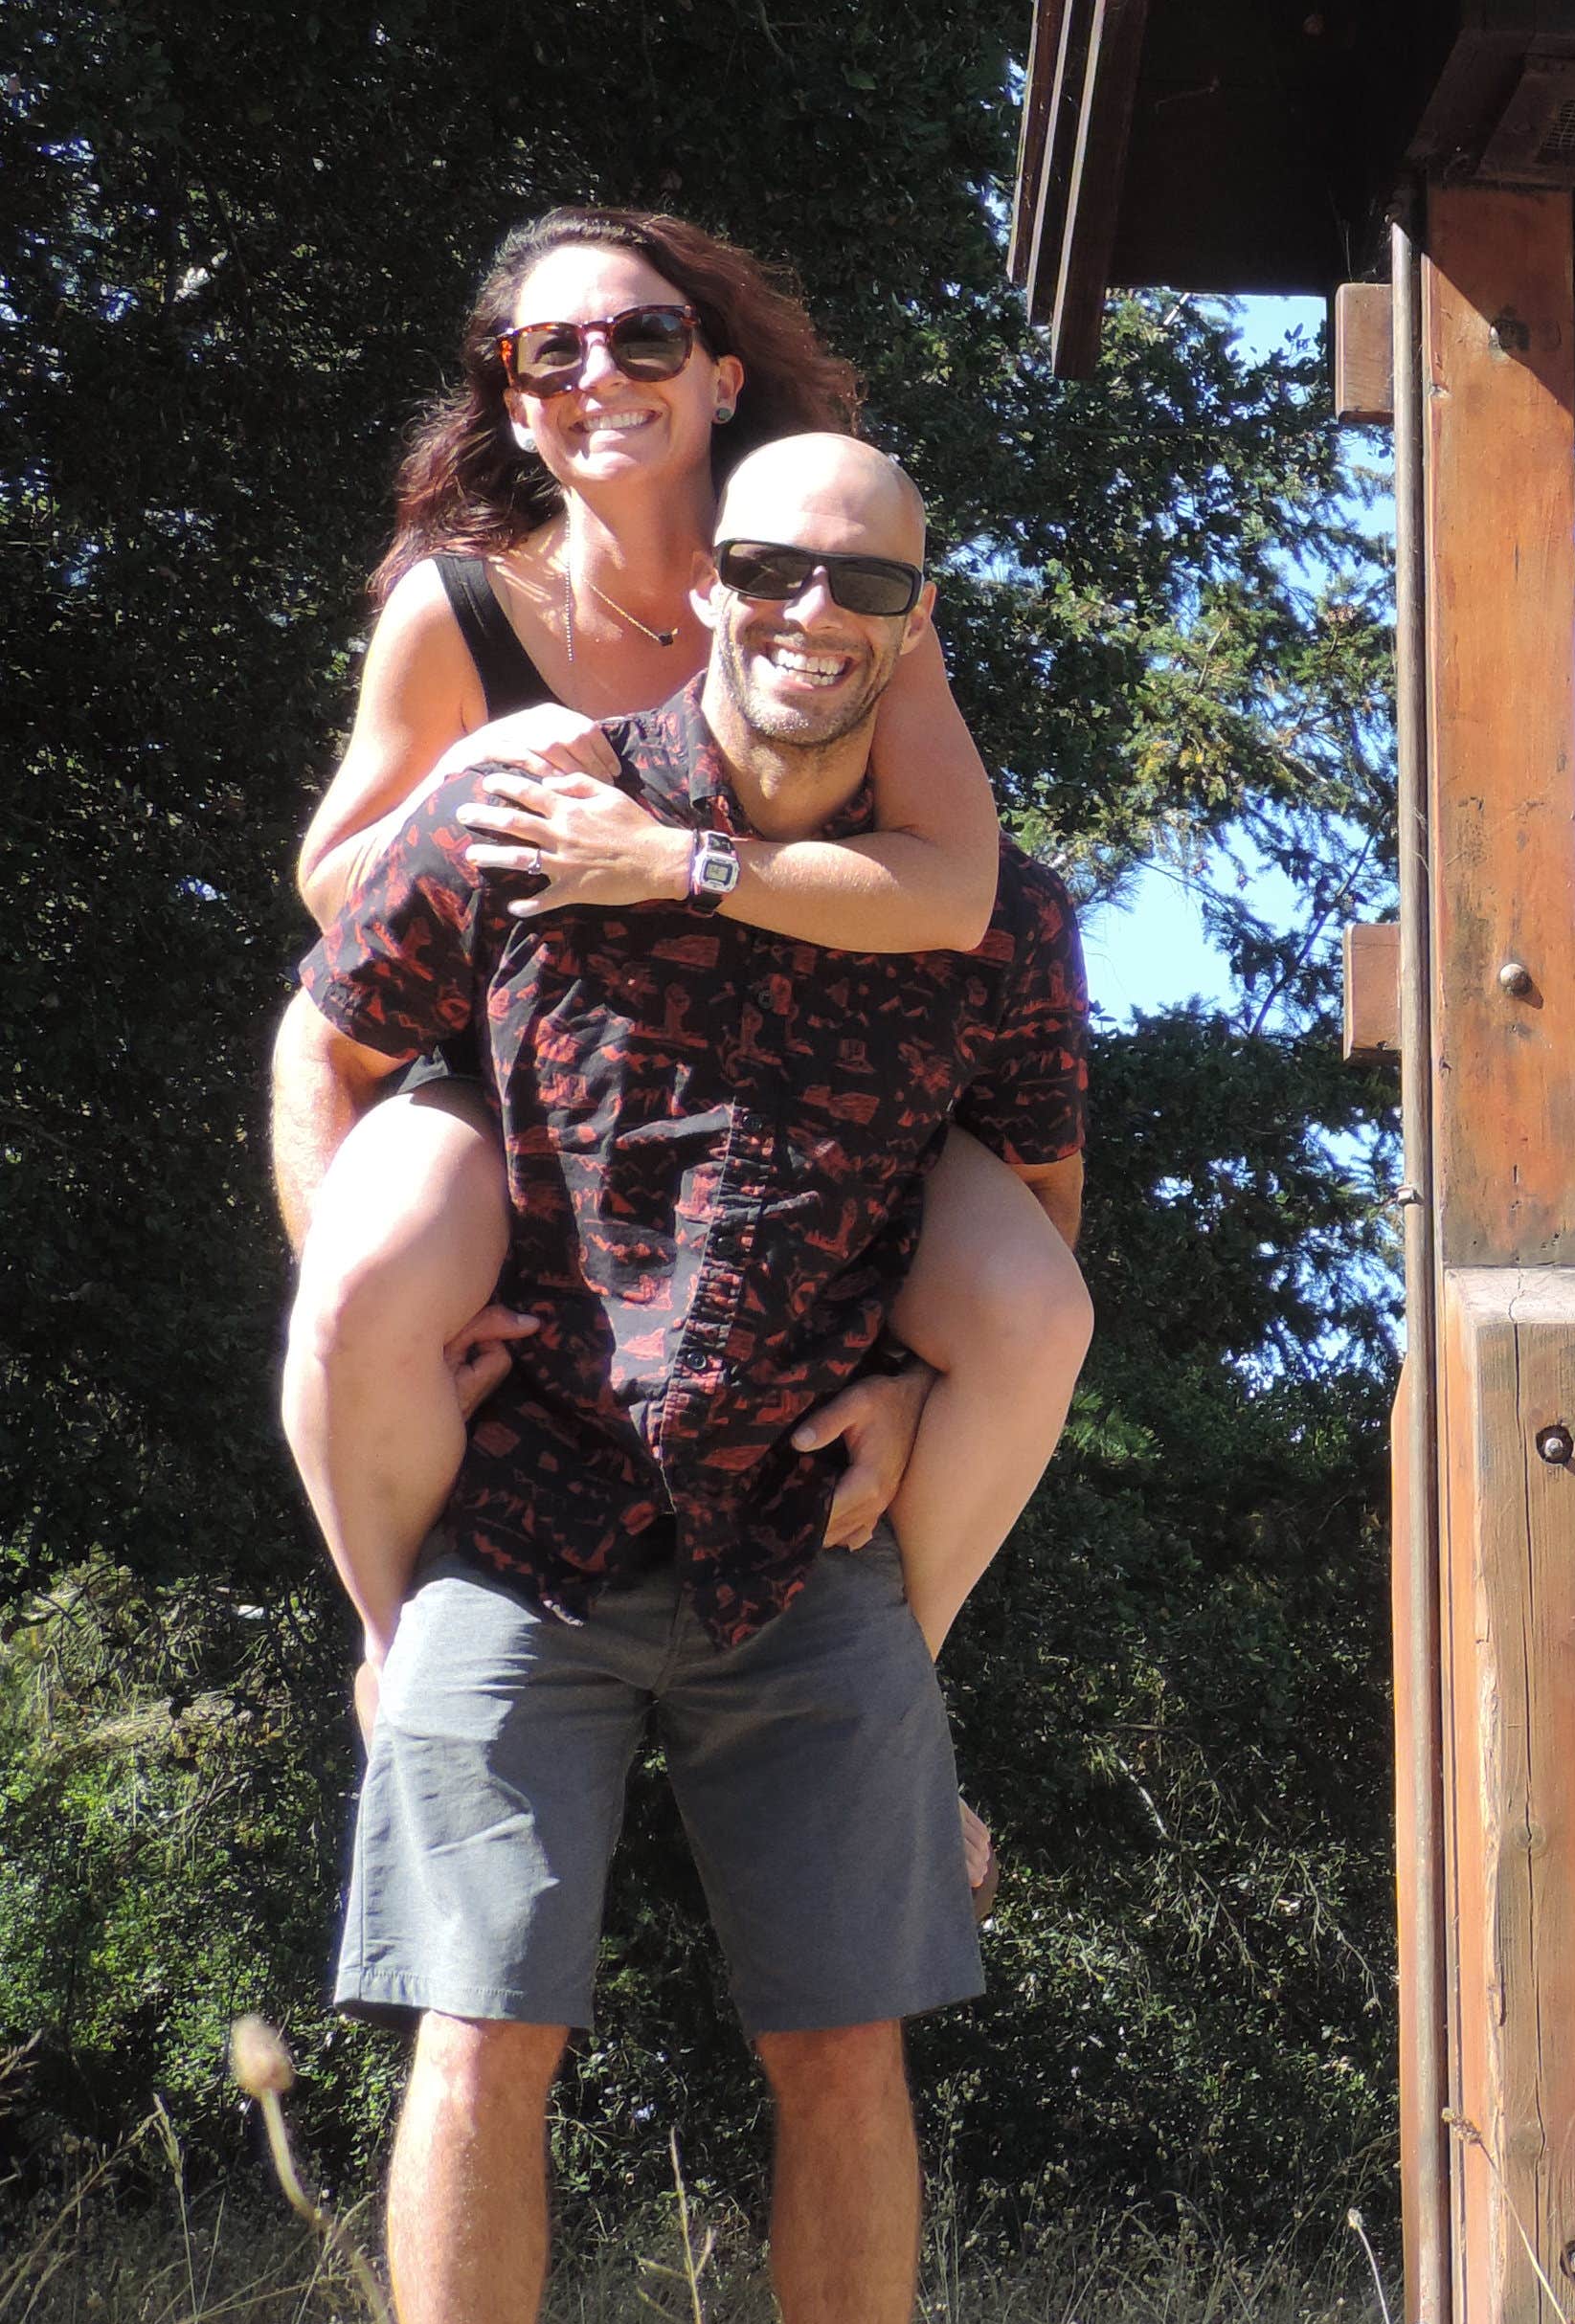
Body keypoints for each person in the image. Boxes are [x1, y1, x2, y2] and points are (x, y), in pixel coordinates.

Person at [284, 433, 1083, 2324]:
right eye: (767, 566)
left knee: (848, 2048)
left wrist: (929, 1392)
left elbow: (1037, 1188)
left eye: (867, 582)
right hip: (514, 1523)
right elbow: (330, 1040)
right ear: (707, 585)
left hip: (801, 1551)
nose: (811, 613)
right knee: (479, 2033)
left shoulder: (994, 905)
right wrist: (369, 1299)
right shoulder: (526, 803)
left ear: (921, 620)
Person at [276, 210, 1090, 1709]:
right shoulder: (459, 611)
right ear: (515, 400)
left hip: (816, 1073)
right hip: (548, 1066)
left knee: (1040, 1308)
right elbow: (342, 905)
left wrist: (667, 861)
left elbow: (954, 890)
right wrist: (481, 781)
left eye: (645, 336)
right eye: (553, 350)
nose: (604, 373)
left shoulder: (827, 582)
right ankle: (400, 1653)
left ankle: (898, 1703)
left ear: (718, 376)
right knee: (370, 1260)